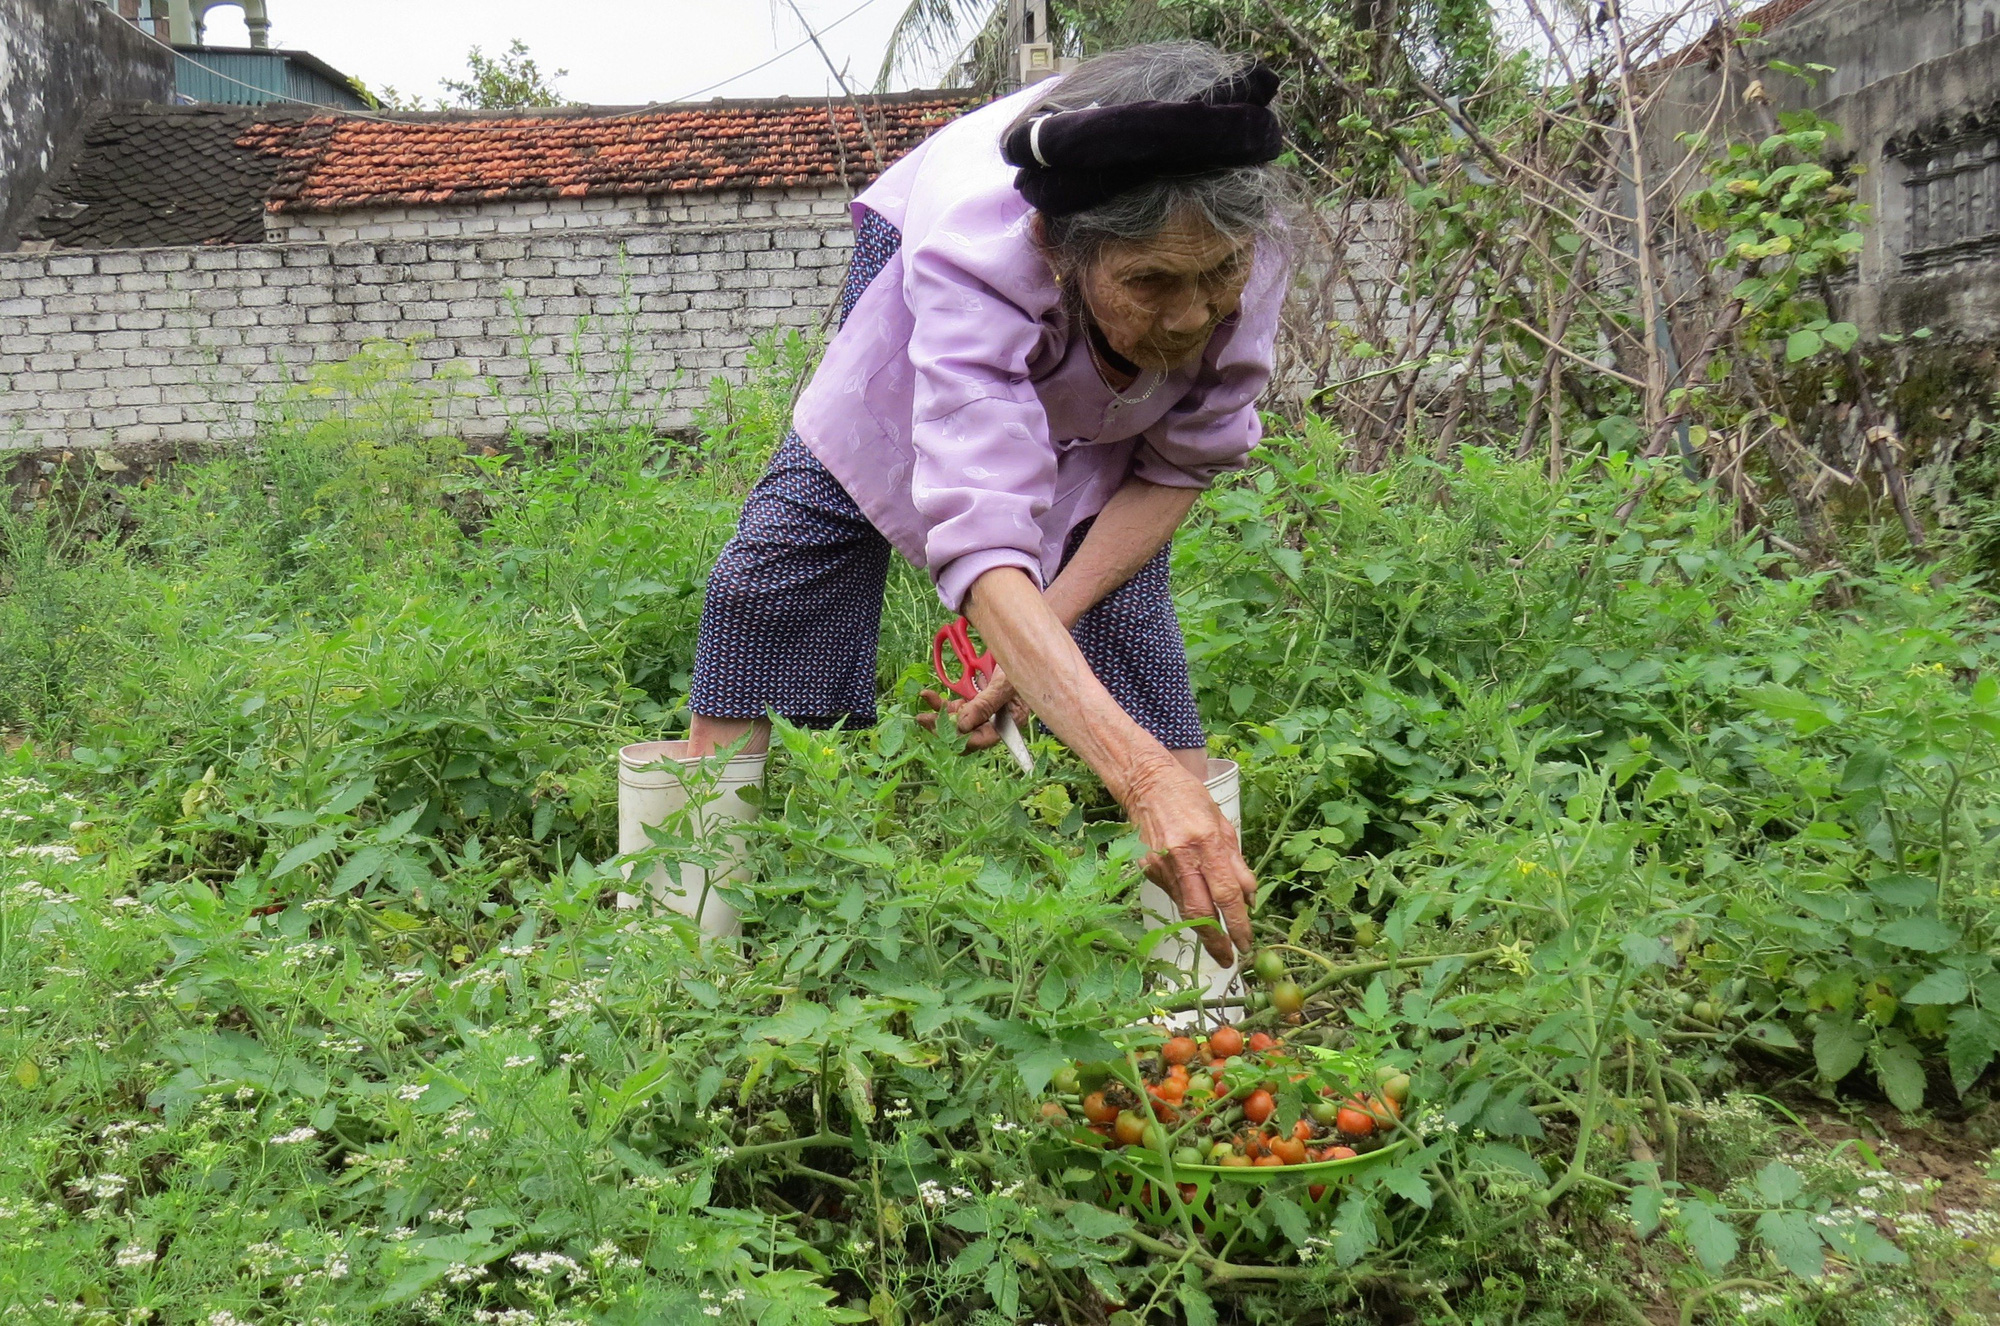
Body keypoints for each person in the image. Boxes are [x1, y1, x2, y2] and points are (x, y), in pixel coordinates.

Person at [665, 41, 1291, 967]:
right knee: (790, 554)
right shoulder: (977, 251)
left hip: (1120, 247)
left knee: (1114, 573)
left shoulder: (1235, 240)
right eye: (1152, 282)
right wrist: (1139, 777)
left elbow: (1175, 467)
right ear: (1056, 251)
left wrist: (1044, 632)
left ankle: (1196, 978)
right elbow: (981, 526)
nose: (1194, 316)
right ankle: (688, 942)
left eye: (1217, 276)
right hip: (941, 236)